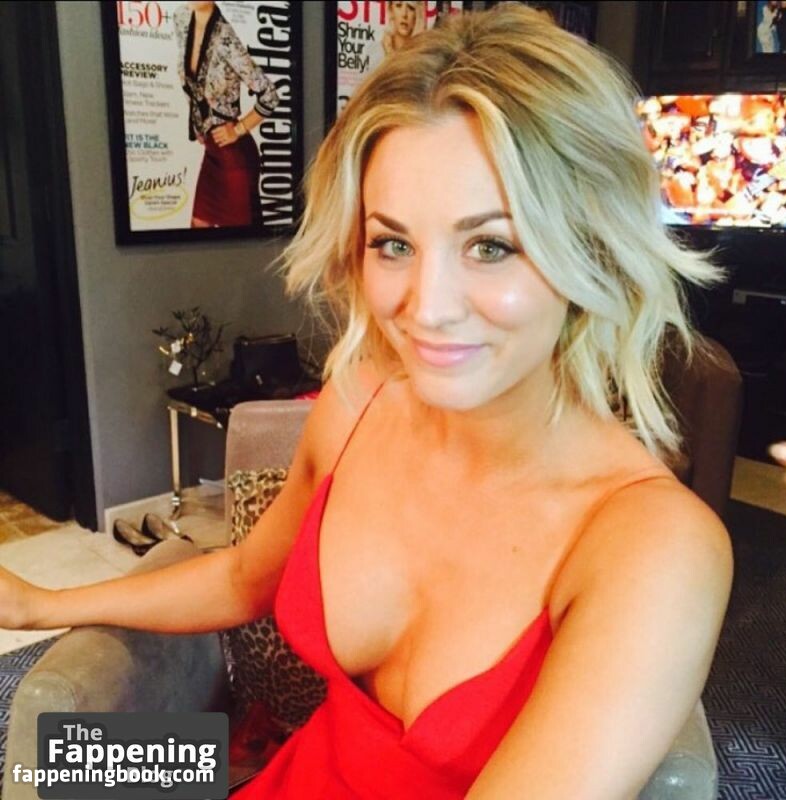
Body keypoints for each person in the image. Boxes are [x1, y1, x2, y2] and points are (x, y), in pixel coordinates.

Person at [0, 6, 733, 798]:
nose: (428, 307)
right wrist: (40, 604)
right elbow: (244, 578)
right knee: (54, 767)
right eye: (393, 243)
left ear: (592, 249)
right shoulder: (357, 405)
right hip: (274, 778)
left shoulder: (654, 547)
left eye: (491, 245)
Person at [174, 1, 279, 228]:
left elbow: (270, 95)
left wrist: (238, 129)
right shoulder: (181, 19)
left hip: (234, 156)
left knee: (239, 242)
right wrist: (198, 124)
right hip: (212, 151)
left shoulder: (226, 39)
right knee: (196, 231)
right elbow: (192, 84)